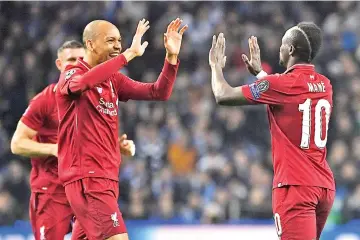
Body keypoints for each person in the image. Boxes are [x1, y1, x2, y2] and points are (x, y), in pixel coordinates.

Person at [55, 18, 187, 240]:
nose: (117, 46)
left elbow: (158, 92)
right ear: (90, 44)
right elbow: (81, 84)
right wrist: (128, 55)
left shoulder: (113, 80)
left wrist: (171, 57)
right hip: (88, 178)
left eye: (119, 41)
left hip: (106, 177)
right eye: (110, 40)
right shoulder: (71, 72)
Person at [209, 22, 335, 240]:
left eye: (283, 43)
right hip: (323, 185)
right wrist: (260, 74)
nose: (279, 48)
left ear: (291, 50)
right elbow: (288, 96)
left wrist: (215, 67)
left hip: (295, 187)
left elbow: (223, 95)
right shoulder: (325, 85)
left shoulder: (281, 84)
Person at [10, 40, 136, 240]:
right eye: (70, 60)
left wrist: (116, 146)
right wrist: (55, 149)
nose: (77, 65)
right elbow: (17, 144)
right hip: (53, 191)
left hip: (87, 187)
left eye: (81, 59)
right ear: (59, 65)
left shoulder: (96, 95)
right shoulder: (45, 99)